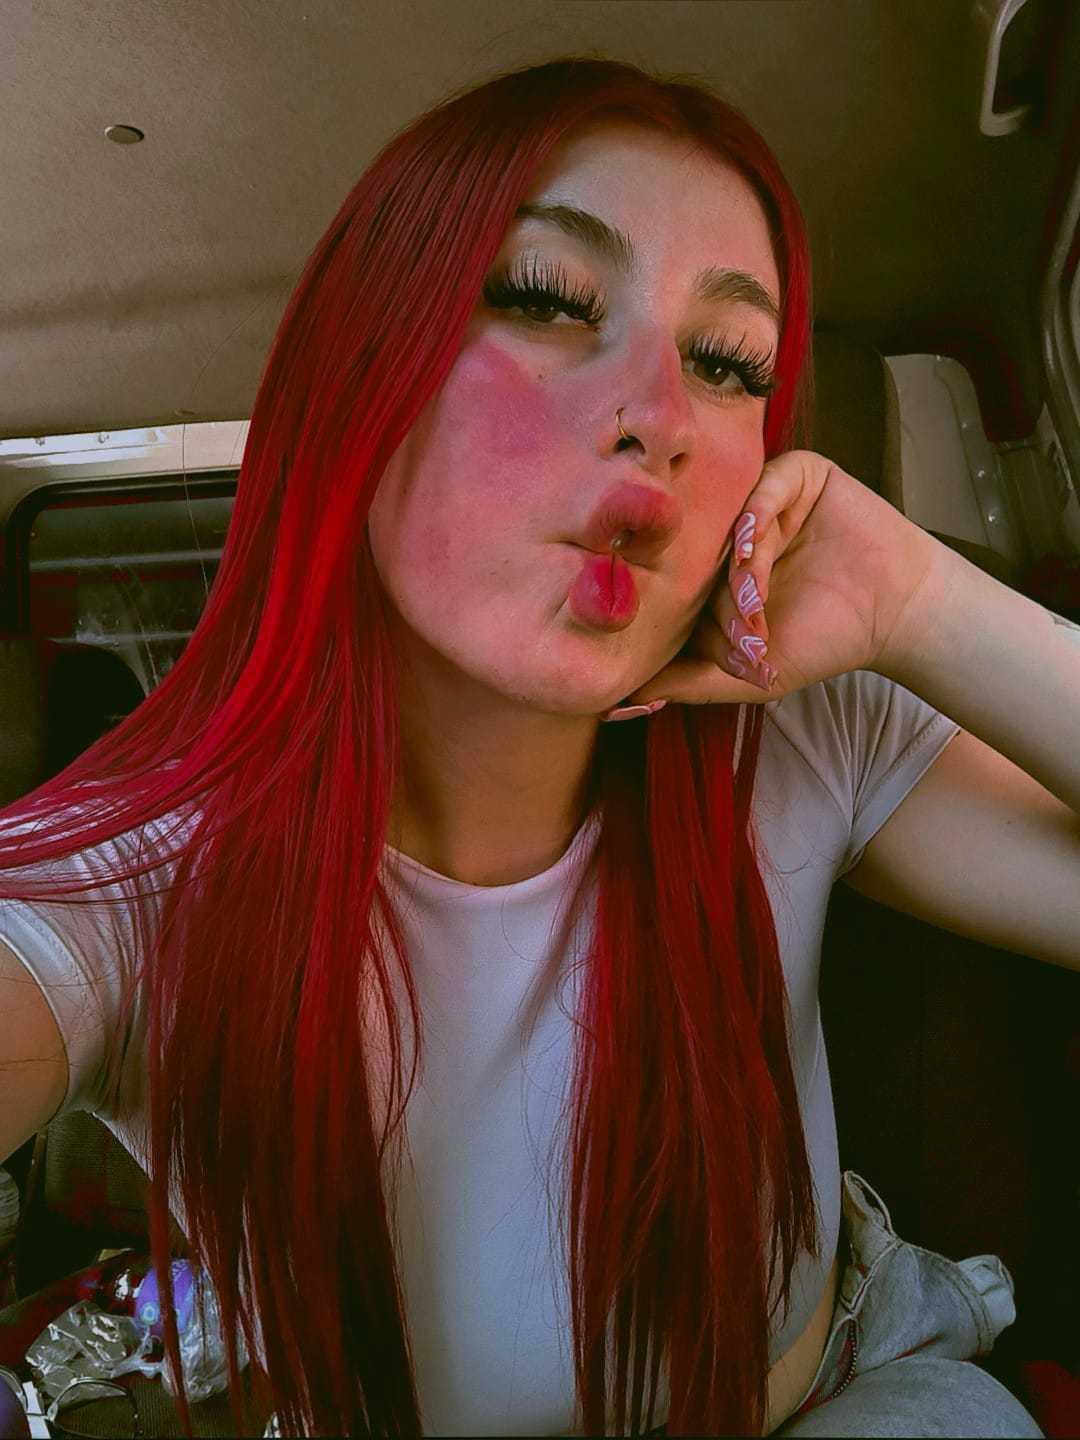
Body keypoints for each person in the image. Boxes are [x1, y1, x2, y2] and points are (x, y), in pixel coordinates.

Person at [0, 54, 1071, 1438]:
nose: (663, 418)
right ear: (360, 373)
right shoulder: (138, 876)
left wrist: (919, 602)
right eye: (544, 299)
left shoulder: (804, 731)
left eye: (729, 365)